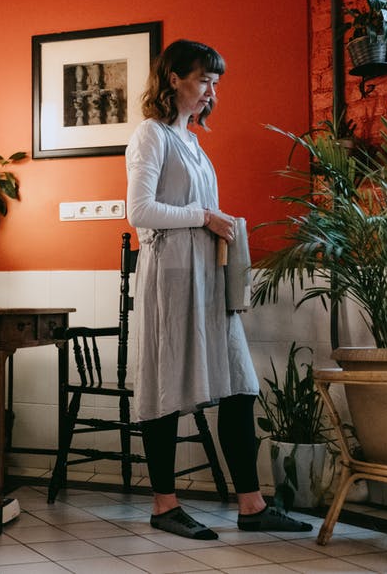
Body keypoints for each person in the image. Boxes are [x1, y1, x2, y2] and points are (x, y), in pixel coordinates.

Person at [124, 39, 312, 540]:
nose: (211, 92)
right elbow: (139, 212)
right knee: (165, 388)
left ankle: (252, 505)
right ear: (173, 79)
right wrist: (205, 216)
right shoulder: (151, 135)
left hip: (207, 280)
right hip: (170, 279)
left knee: (239, 385)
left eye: (215, 83)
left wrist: (216, 225)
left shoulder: (193, 142)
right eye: (204, 80)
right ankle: (165, 505)